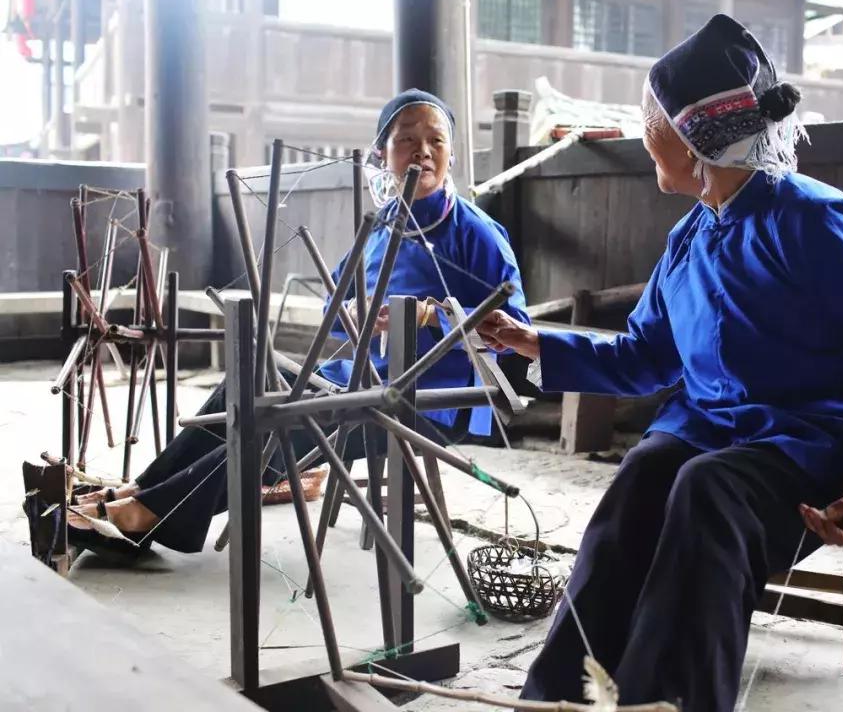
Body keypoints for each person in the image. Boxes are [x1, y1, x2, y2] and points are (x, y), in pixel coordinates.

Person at [477, 15, 843, 712]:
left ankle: (669, 702)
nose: (644, 131)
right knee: (645, 474)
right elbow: (645, 356)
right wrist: (534, 344)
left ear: (700, 134)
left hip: (803, 447)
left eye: (652, 118)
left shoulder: (817, 223)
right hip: (709, 433)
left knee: (706, 488)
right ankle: (560, 697)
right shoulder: (689, 238)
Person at [66, 89, 530, 558]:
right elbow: (336, 302)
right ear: (383, 154)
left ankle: (147, 515)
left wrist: (431, 316)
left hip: (429, 401)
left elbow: (516, 331)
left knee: (271, 421)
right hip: (359, 381)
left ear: (451, 154)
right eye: (407, 139)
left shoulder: (477, 233)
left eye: (436, 141)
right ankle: (141, 493)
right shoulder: (385, 222)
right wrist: (351, 314)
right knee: (243, 386)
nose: (423, 151)